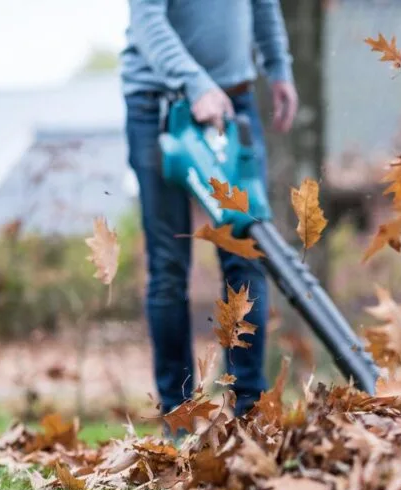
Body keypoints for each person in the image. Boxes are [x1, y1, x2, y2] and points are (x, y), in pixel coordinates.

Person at [119, 0, 298, 425]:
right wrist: (195, 84)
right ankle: (179, 417)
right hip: (157, 105)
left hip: (234, 101)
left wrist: (278, 67)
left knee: (246, 253)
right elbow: (147, 19)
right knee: (168, 265)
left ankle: (249, 415)